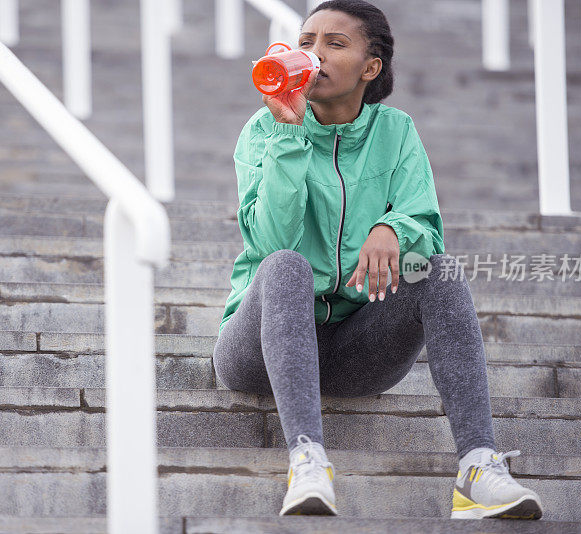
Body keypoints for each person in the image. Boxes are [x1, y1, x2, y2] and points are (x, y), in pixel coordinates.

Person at [213, 0, 545, 520]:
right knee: (285, 266)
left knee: (439, 270)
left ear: (372, 68)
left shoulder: (395, 132)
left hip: (355, 351)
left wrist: (394, 226)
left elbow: (427, 225)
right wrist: (287, 133)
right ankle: (306, 459)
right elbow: (271, 239)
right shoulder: (264, 129)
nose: (314, 54)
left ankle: (478, 467)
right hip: (255, 349)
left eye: (335, 43)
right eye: (306, 42)